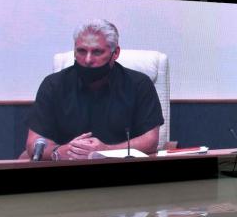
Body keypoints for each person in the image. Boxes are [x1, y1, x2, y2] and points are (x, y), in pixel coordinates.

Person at [24, 19, 163, 160]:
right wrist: (59, 152)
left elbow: (150, 141)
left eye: (97, 52)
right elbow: (33, 143)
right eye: (81, 51)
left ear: (115, 53)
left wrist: (106, 151)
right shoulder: (53, 85)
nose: (88, 60)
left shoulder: (139, 84)